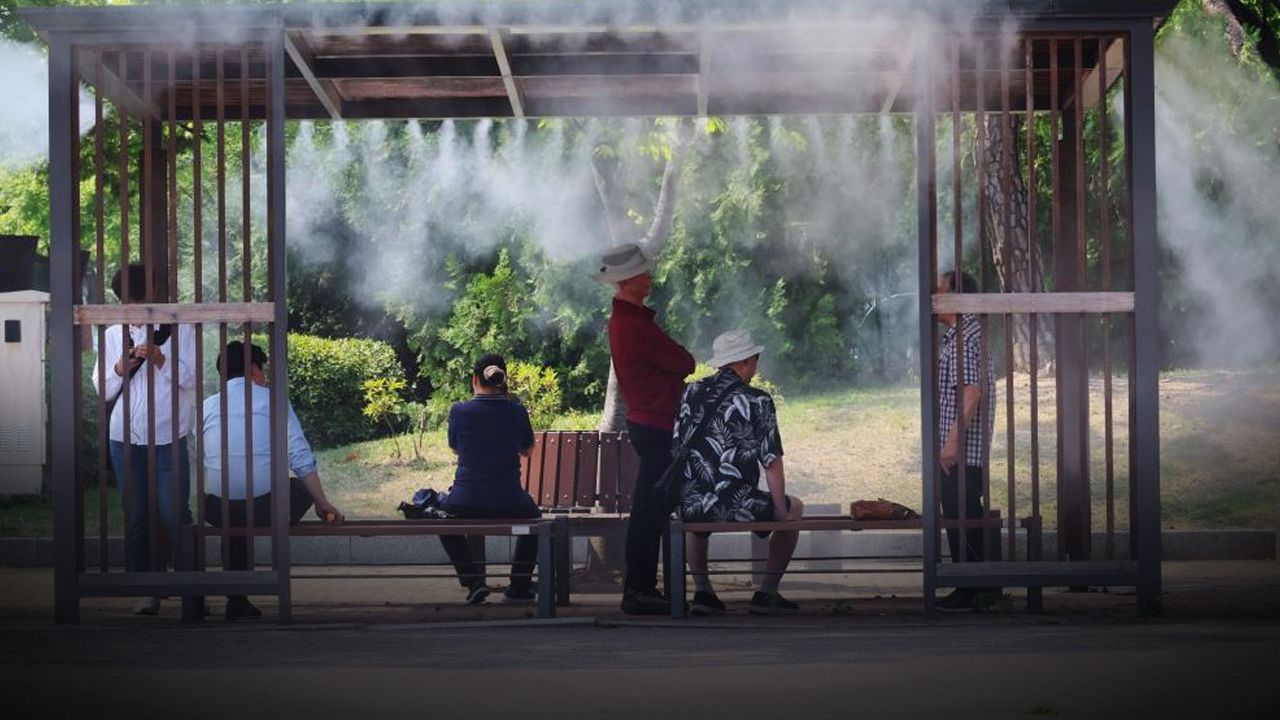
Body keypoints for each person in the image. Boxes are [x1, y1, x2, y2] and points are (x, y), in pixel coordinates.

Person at [202, 341, 342, 621]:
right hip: (266, 509)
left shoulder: (207, 405)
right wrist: (321, 502)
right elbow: (299, 455)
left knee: (235, 517)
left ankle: (237, 598)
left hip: (217, 509)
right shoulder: (273, 401)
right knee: (296, 488)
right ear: (254, 369)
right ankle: (243, 596)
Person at [674, 330, 805, 616]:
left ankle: (703, 592)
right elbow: (771, 461)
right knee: (795, 507)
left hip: (692, 504)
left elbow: (678, 447)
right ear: (745, 361)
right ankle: (767, 593)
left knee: (696, 510)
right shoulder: (758, 401)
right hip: (738, 503)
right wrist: (781, 511)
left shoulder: (691, 392)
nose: (757, 364)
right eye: (755, 358)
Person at [596, 243, 696, 615]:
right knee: (648, 511)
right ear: (627, 281)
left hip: (647, 420)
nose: (649, 278)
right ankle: (638, 590)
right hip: (656, 422)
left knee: (649, 509)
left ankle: (642, 587)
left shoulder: (626, 321)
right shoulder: (635, 325)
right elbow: (684, 361)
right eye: (643, 274)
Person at [92, 263, 197, 616]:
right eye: (130, 304)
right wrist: (121, 368)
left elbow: (192, 380)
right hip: (124, 438)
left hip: (169, 436)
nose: (136, 312)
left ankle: (191, 591)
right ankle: (147, 589)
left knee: (175, 513)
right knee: (137, 514)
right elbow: (102, 390)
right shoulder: (111, 335)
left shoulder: (179, 329)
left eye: (141, 302)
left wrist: (161, 358)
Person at [438, 354, 543, 605]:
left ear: (475, 379)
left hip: (465, 502)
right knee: (536, 521)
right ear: (503, 381)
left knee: (440, 518)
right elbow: (528, 449)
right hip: (510, 502)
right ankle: (519, 585)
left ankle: (473, 581)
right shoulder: (516, 411)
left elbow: (455, 447)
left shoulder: (459, 411)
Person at [934, 271, 997, 611]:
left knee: (962, 516)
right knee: (965, 513)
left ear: (957, 298)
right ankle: (979, 588)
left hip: (961, 452)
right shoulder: (965, 334)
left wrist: (952, 443)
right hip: (963, 451)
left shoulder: (963, 338)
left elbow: (971, 393)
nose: (934, 298)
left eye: (940, 291)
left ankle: (971, 589)